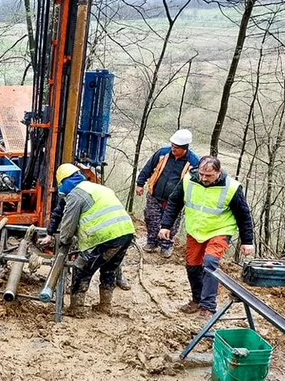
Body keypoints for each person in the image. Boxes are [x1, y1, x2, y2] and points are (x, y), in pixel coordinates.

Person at [159, 156, 254, 320]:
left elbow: (244, 215)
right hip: (195, 230)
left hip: (220, 230)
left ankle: (208, 307)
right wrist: (166, 225)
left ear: (218, 172)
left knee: (209, 263)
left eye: (208, 175)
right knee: (192, 266)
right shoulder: (188, 179)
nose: (203, 178)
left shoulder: (231, 188)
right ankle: (196, 300)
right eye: (202, 174)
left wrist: (247, 241)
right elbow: (174, 201)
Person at [54, 163, 135, 316]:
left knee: (82, 268)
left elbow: (68, 223)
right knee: (110, 268)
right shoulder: (98, 187)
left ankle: (76, 308)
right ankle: (105, 305)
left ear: (64, 182)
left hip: (105, 237)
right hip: (126, 231)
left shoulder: (75, 195)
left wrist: (64, 241)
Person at [41, 196, 132, 290]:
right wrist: (50, 233)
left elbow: (68, 225)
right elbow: (58, 213)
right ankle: (104, 302)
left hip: (102, 231)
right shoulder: (70, 192)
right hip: (120, 229)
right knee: (107, 264)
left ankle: (78, 298)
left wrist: (65, 239)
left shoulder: (80, 194)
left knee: (88, 266)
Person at [136, 129, 199, 258]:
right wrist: (140, 183)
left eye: (176, 147)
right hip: (155, 195)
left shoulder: (193, 162)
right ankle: (151, 242)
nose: (173, 149)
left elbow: (196, 184)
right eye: (172, 146)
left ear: (185, 148)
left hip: (176, 201)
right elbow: (148, 167)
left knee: (171, 224)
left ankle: (166, 246)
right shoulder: (162, 153)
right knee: (151, 218)